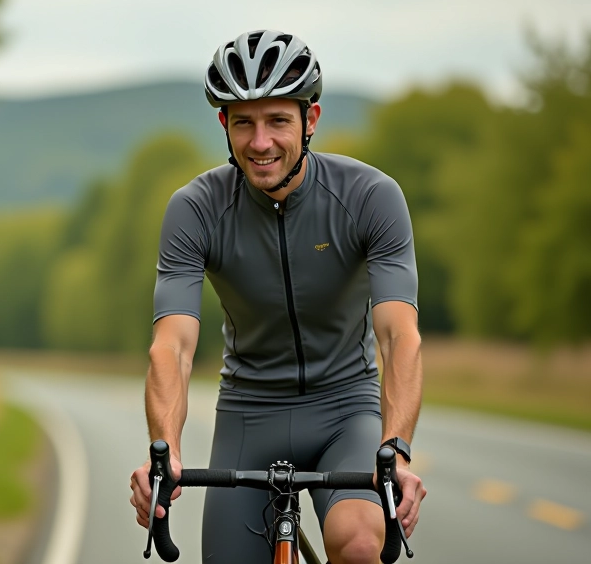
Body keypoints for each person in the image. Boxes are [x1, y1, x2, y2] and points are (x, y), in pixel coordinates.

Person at [128, 29, 427, 564]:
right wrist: (166, 451)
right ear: (224, 125)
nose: (260, 141)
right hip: (250, 414)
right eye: (244, 122)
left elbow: (397, 334)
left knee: (359, 541)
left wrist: (396, 449)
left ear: (310, 121)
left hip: (346, 408)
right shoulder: (195, 210)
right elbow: (170, 346)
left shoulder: (370, 197)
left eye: (278, 121)